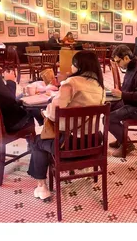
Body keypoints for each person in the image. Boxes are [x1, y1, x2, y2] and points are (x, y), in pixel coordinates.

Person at [27, 51, 106, 200]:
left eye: (73, 63)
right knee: (46, 140)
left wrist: (46, 111)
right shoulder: (100, 86)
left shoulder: (71, 83)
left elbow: (54, 113)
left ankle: (41, 187)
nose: (71, 66)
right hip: (94, 142)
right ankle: (85, 166)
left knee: (37, 141)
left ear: (78, 65)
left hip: (68, 145)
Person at [108, 44, 137, 157]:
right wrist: (119, 95)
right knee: (107, 107)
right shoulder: (130, 67)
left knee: (107, 119)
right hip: (130, 102)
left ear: (126, 58)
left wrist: (122, 94)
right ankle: (120, 136)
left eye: (118, 61)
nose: (117, 64)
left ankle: (127, 144)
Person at [0, 41, 35, 132]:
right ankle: (35, 144)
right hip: (4, 125)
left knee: (22, 97)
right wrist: (10, 81)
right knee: (31, 110)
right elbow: (10, 99)